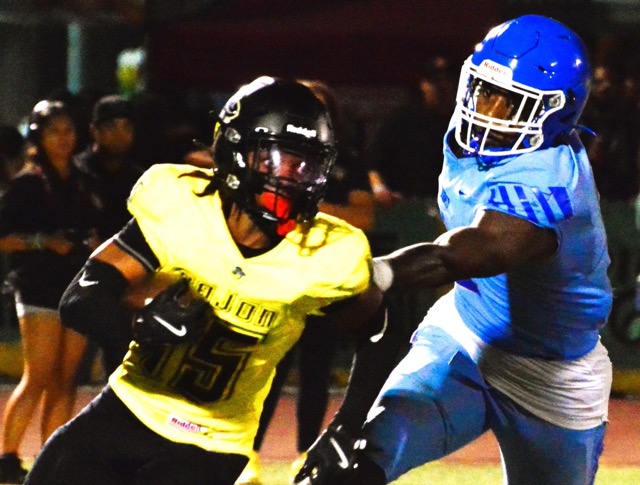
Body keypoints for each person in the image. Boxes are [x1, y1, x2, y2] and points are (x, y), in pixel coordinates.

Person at [24, 77, 394, 485]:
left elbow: (380, 335)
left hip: (214, 445)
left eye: (305, 164)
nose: (293, 178)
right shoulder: (182, 203)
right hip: (129, 408)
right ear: (237, 151)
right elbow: (81, 297)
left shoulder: (327, 253)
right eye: (279, 160)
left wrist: (348, 424)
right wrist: (138, 327)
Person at [295, 15, 613, 485]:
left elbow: (470, 252)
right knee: (347, 470)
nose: (488, 109)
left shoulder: (552, 178)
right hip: (464, 335)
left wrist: (373, 273)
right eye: (483, 90)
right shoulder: (470, 142)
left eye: (511, 103)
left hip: (553, 378)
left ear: (556, 114)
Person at [235, 79, 375, 485]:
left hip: (323, 279)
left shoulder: (345, 160)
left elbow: (365, 217)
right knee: (264, 368)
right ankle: (246, 454)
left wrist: (303, 207)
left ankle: (304, 454)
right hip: (275, 276)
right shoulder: (270, 154)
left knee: (316, 370)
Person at [0, 100, 100, 483]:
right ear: (37, 136)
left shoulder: (82, 180)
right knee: (39, 375)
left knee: (65, 378)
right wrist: (44, 242)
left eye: (69, 130)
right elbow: (4, 238)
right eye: (54, 131)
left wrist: (89, 242)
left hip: (75, 288)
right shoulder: (27, 183)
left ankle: (50, 460)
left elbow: (94, 230)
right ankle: (8, 458)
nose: (63, 139)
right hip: (38, 288)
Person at [73, 94, 143, 374]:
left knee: (121, 370)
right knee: (64, 376)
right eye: (111, 126)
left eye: (126, 127)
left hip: (121, 284)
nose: (120, 134)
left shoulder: (139, 179)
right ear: (94, 131)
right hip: (75, 281)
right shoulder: (76, 173)